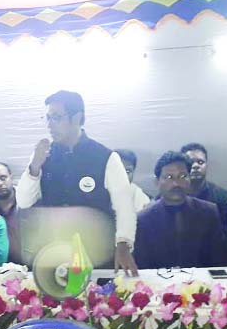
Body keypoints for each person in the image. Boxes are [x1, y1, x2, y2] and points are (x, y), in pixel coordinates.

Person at [16, 90, 138, 275]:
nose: (49, 125)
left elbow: (124, 206)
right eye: (47, 118)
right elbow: (24, 201)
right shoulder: (43, 155)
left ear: (77, 117)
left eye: (56, 118)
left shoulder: (105, 157)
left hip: (95, 255)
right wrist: (34, 167)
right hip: (53, 254)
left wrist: (123, 243)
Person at [134, 152, 227, 269]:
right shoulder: (143, 219)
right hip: (159, 284)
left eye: (182, 176)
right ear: (157, 182)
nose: (176, 183)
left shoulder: (209, 212)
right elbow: (142, 266)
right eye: (169, 177)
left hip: (202, 284)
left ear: (189, 179)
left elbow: (219, 261)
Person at [181, 143, 227, 228]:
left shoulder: (222, 197)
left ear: (207, 165)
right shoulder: (173, 196)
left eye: (200, 162)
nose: (195, 166)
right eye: (190, 162)